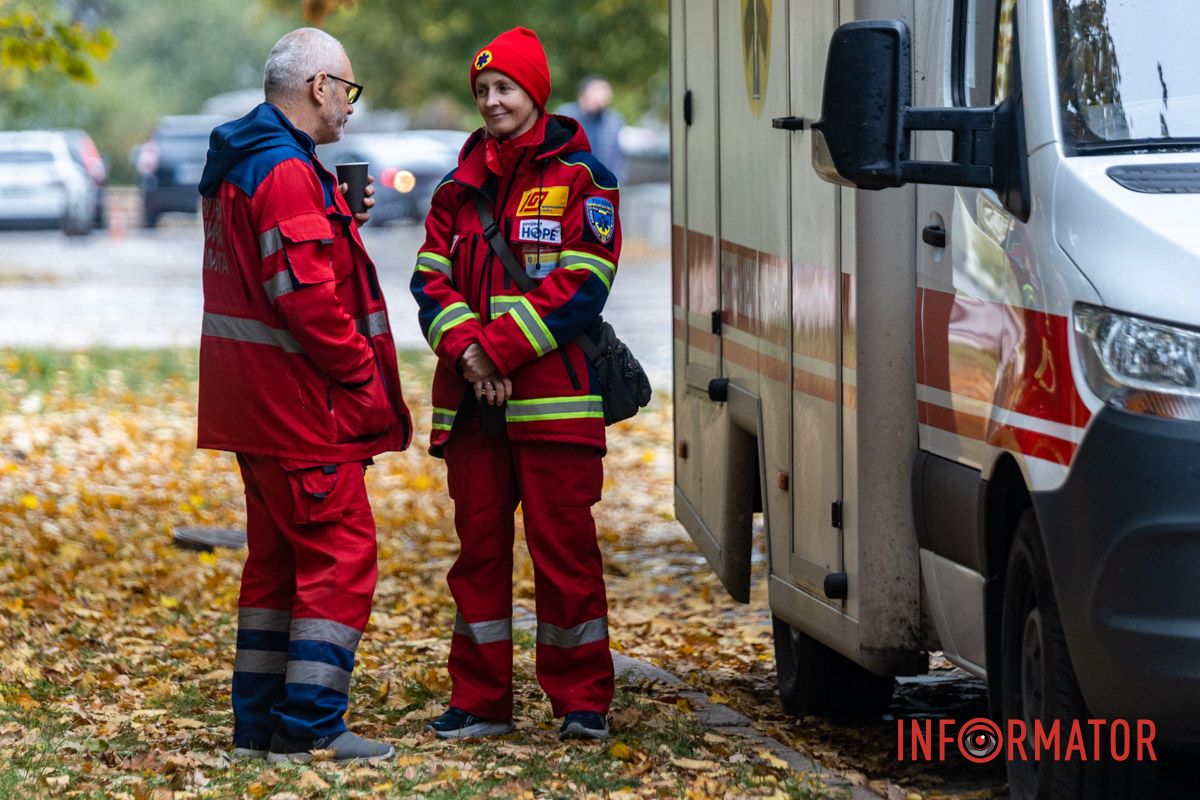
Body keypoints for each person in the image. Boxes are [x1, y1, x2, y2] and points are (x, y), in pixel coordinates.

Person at [197, 27, 412, 763]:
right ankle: (313, 724)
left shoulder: (241, 163)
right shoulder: (285, 172)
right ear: (319, 86)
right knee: (340, 555)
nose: (350, 107)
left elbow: (267, 271)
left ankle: (257, 722)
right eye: (347, 90)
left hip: (252, 411)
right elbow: (304, 298)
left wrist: (340, 220)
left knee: (276, 567)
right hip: (298, 410)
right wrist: (360, 372)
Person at [410, 26, 621, 741]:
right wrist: (472, 353)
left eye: (505, 88)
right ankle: (479, 702)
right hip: (473, 409)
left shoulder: (583, 180)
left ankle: (583, 702)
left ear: (535, 92)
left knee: (566, 558)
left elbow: (583, 285)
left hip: (555, 407)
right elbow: (429, 283)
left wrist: (494, 351)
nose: (492, 101)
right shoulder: (455, 189)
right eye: (482, 91)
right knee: (477, 560)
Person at [555, 74, 626, 184]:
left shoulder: (613, 120)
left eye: (606, 92)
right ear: (583, 94)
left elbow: (617, 157)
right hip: (568, 182)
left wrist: (617, 182)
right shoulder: (566, 115)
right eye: (599, 90)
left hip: (601, 185)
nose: (605, 96)